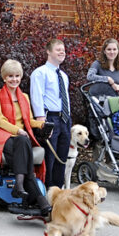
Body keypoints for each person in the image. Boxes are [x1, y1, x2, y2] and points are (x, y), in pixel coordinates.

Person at [0, 60, 52, 215]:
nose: (14, 79)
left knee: (23, 142)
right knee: (23, 141)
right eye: (10, 76)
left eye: (17, 76)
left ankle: (20, 185)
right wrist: (17, 130)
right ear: (4, 77)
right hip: (1, 135)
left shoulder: (24, 97)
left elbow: (28, 120)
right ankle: (39, 199)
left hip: (19, 140)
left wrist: (41, 125)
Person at [30, 38, 72, 189]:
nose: (62, 52)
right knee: (49, 156)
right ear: (48, 51)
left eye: (63, 50)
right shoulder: (40, 73)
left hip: (65, 119)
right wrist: (42, 121)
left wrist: (68, 119)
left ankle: (58, 188)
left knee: (62, 155)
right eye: (58, 49)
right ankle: (47, 188)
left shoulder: (64, 75)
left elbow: (64, 98)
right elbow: (37, 97)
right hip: (50, 118)